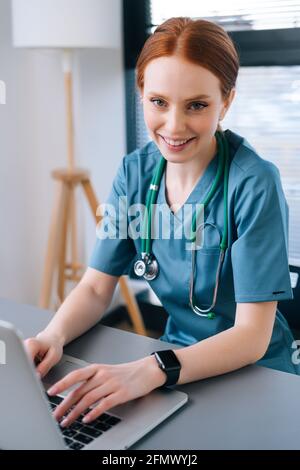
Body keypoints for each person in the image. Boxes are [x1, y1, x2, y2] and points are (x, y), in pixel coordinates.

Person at [25, 17, 297, 429]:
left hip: (257, 373)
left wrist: (154, 369)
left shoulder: (254, 183)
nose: (173, 126)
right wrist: (53, 336)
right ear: (141, 96)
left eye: (197, 105)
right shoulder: (135, 174)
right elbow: (98, 287)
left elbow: (252, 337)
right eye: (159, 102)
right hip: (175, 359)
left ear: (226, 102)